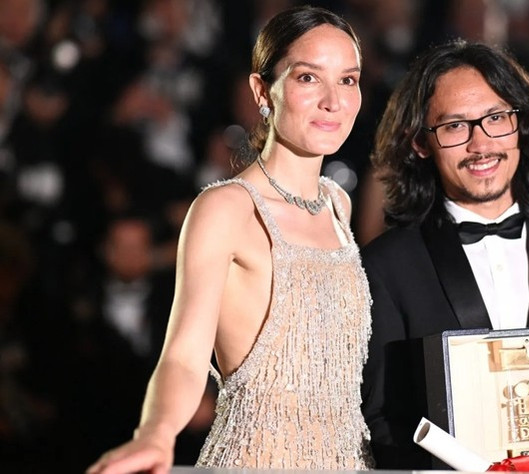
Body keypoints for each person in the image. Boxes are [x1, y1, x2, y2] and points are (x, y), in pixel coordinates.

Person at [87, 6, 373, 473]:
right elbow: (183, 354)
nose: (333, 100)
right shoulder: (226, 208)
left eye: (348, 80)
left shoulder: (337, 204)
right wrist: (155, 435)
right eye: (307, 78)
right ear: (263, 91)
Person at [360, 39, 529, 470]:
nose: (480, 144)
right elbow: (381, 419)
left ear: (522, 124)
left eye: (496, 118)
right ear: (420, 143)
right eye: (454, 127)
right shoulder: (387, 267)